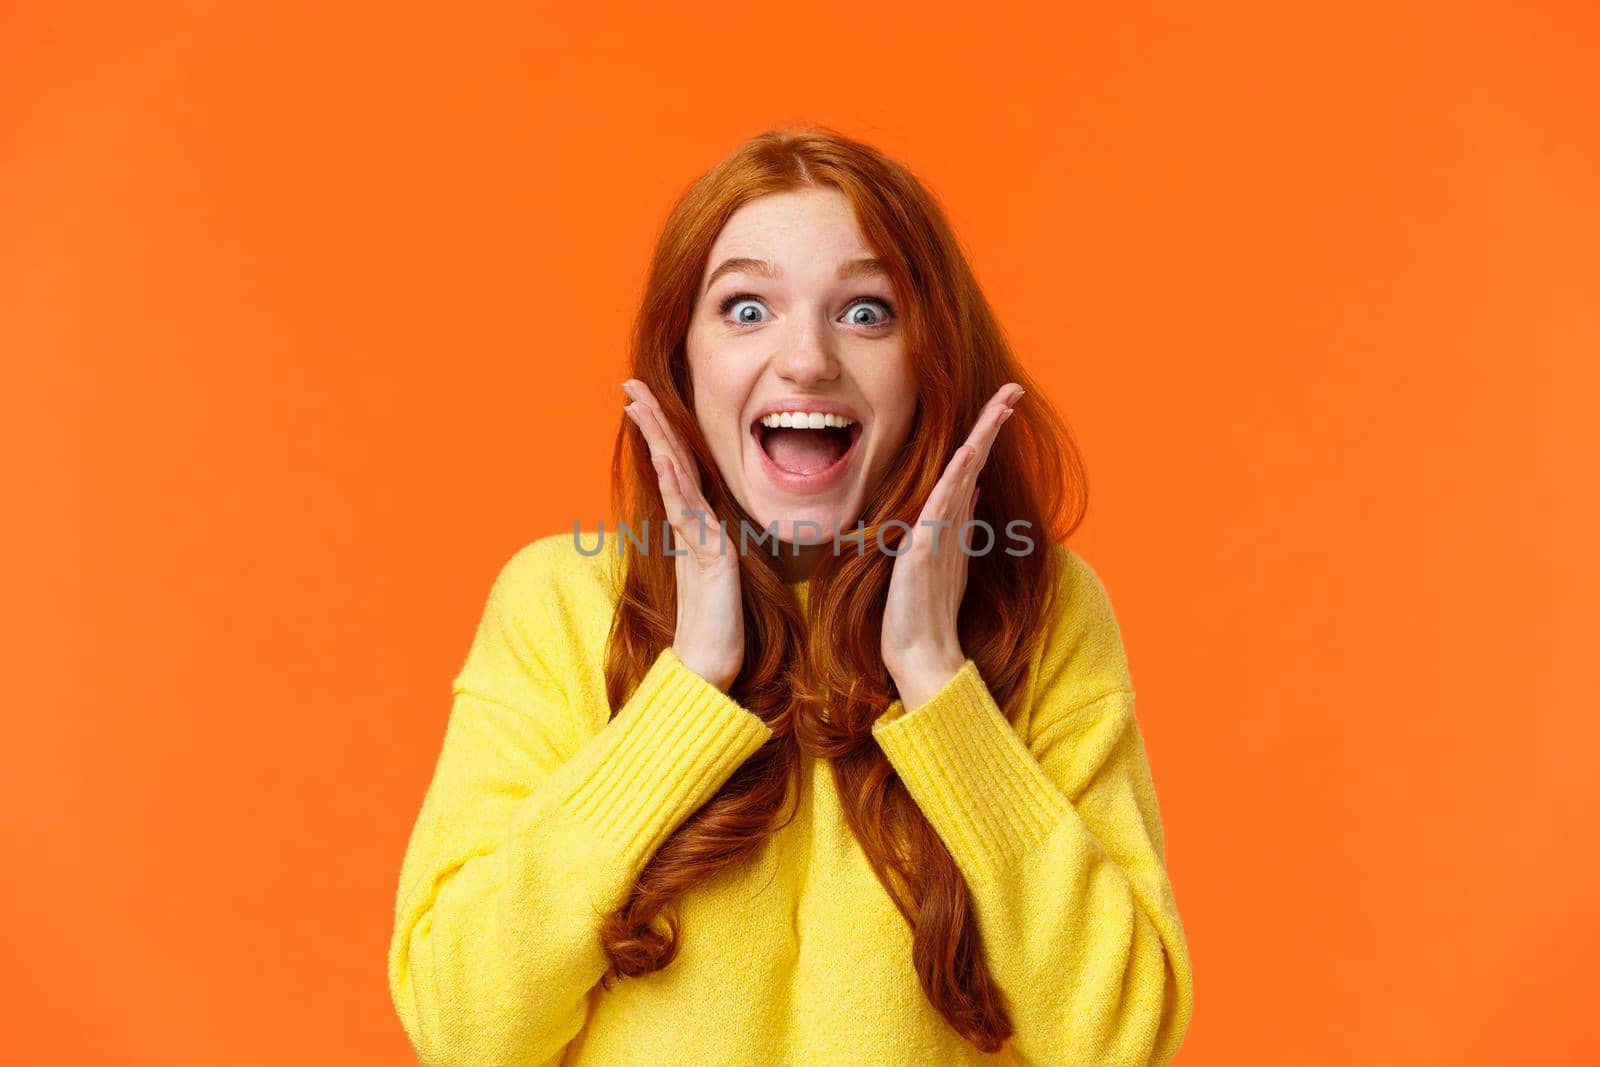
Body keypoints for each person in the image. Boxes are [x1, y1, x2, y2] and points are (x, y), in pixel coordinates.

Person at [387, 127, 1194, 1066]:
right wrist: (686, 689)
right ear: (681, 359)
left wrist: (939, 685)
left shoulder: (1040, 608)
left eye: (865, 312)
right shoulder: (559, 604)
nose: (807, 359)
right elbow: (462, 1027)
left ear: (932, 359)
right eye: (745, 308)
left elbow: (1121, 1039)